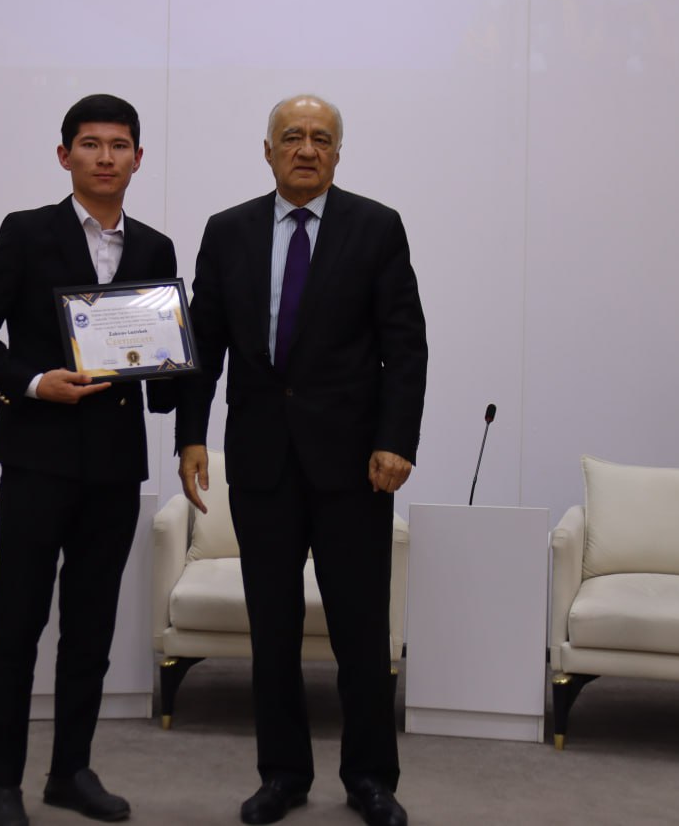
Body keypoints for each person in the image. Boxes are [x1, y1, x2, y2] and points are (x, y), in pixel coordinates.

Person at [176, 95, 427, 826]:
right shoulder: (227, 231)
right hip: (262, 462)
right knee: (273, 628)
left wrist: (397, 439)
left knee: (360, 629)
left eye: (321, 138)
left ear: (338, 153)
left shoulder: (376, 227)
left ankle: (371, 777)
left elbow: (405, 345)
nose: (307, 149)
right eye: (292, 137)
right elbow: (203, 344)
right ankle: (282, 773)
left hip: (355, 465)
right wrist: (191, 434)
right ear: (268, 151)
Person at [0, 94, 177, 826]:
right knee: (17, 624)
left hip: (115, 467)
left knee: (91, 628)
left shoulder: (155, 248)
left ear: (138, 159)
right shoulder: (26, 232)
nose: (105, 157)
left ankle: (70, 772)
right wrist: (31, 381)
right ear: (64, 156)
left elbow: (160, 363)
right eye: (90, 144)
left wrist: (176, 361)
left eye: (119, 145)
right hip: (37, 459)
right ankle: (1, 784)